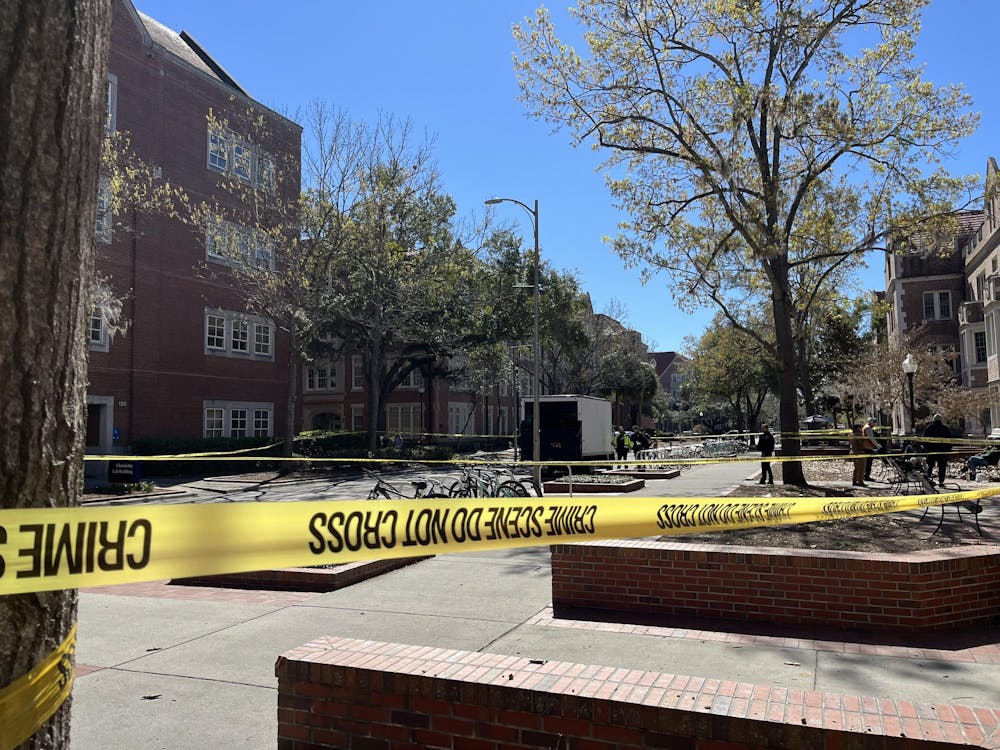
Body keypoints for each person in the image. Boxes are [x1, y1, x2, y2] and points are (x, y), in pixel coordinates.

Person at [922, 414, 952, 487]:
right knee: (942, 467)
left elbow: (924, 440)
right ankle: (941, 481)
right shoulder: (945, 429)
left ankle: (928, 479)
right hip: (942, 451)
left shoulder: (928, 428)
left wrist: (927, 449)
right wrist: (947, 450)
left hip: (931, 450)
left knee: (930, 466)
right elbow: (950, 441)